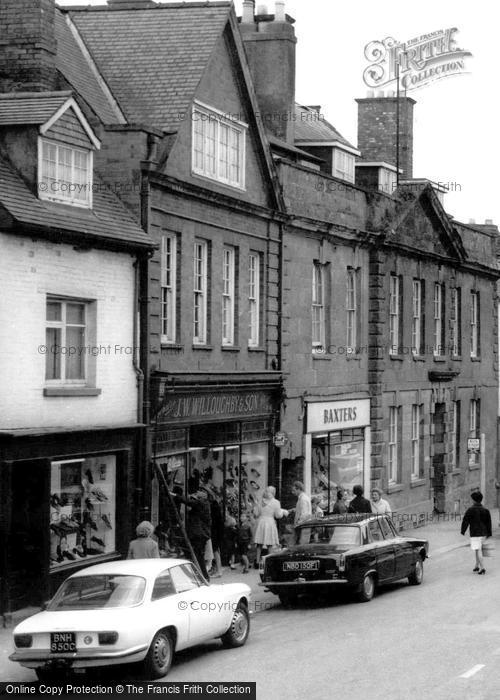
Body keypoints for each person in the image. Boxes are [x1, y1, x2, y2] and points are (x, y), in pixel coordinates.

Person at [253, 486, 287, 566]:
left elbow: (256, 514)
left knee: (259, 543)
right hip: (270, 522)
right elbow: (278, 515)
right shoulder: (276, 502)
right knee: (270, 544)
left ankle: (257, 561)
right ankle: (269, 561)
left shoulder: (260, 501)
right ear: (273, 493)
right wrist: (283, 512)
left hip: (261, 522)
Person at [460, 491, 492, 575]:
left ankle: (482, 568)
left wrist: (463, 531)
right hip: (484, 533)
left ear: (474, 500)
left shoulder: (470, 510)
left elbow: (465, 521)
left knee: (478, 550)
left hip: (475, 533)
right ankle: (476, 565)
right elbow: (489, 523)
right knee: (478, 549)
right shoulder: (486, 510)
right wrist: (489, 533)